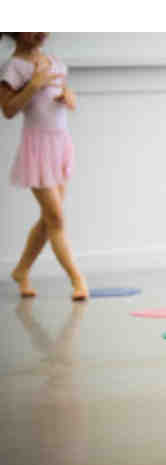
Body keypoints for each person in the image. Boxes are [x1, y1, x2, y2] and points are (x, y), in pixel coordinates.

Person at [1, 32, 88, 300]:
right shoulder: (13, 67)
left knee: (49, 218)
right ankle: (78, 280)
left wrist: (68, 97)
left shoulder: (54, 62)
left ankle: (21, 270)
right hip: (37, 148)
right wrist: (33, 85)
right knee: (56, 219)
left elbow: (62, 94)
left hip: (59, 145)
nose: (40, 32)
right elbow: (8, 110)